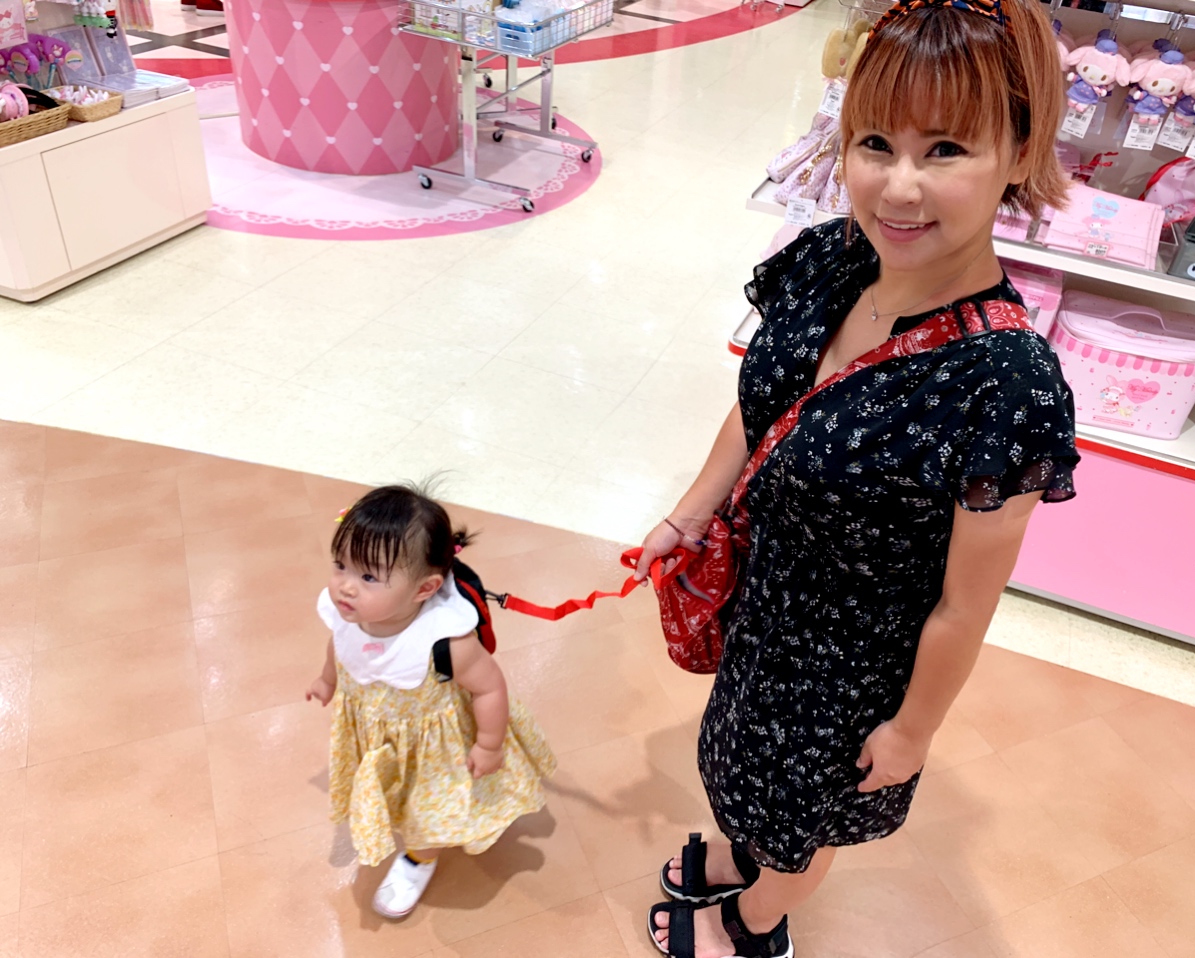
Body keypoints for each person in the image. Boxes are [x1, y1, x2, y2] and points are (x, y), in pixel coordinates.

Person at [637, 1, 1079, 955]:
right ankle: (737, 850)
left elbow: (965, 604)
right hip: (765, 602)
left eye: (946, 149)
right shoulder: (832, 262)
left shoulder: (1005, 384)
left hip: (853, 667)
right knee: (739, 763)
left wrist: (913, 731)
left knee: (805, 814)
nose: (899, 187)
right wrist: (689, 512)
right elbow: (763, 408)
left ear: (1019, 151)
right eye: (877, 142)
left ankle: (754, 925)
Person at [306, 484, 556, 919]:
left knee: (424, 814)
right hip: (379, 735)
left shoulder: (445, 640)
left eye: (368, 577)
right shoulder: (348, 614)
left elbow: (489, 687)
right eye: (340, 565)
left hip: (434, 753)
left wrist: (489, 744)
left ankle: (418, 859)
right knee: (395, 795)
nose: (345, 587)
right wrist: (328, 680)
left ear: (425, 588)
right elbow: (340, 646)